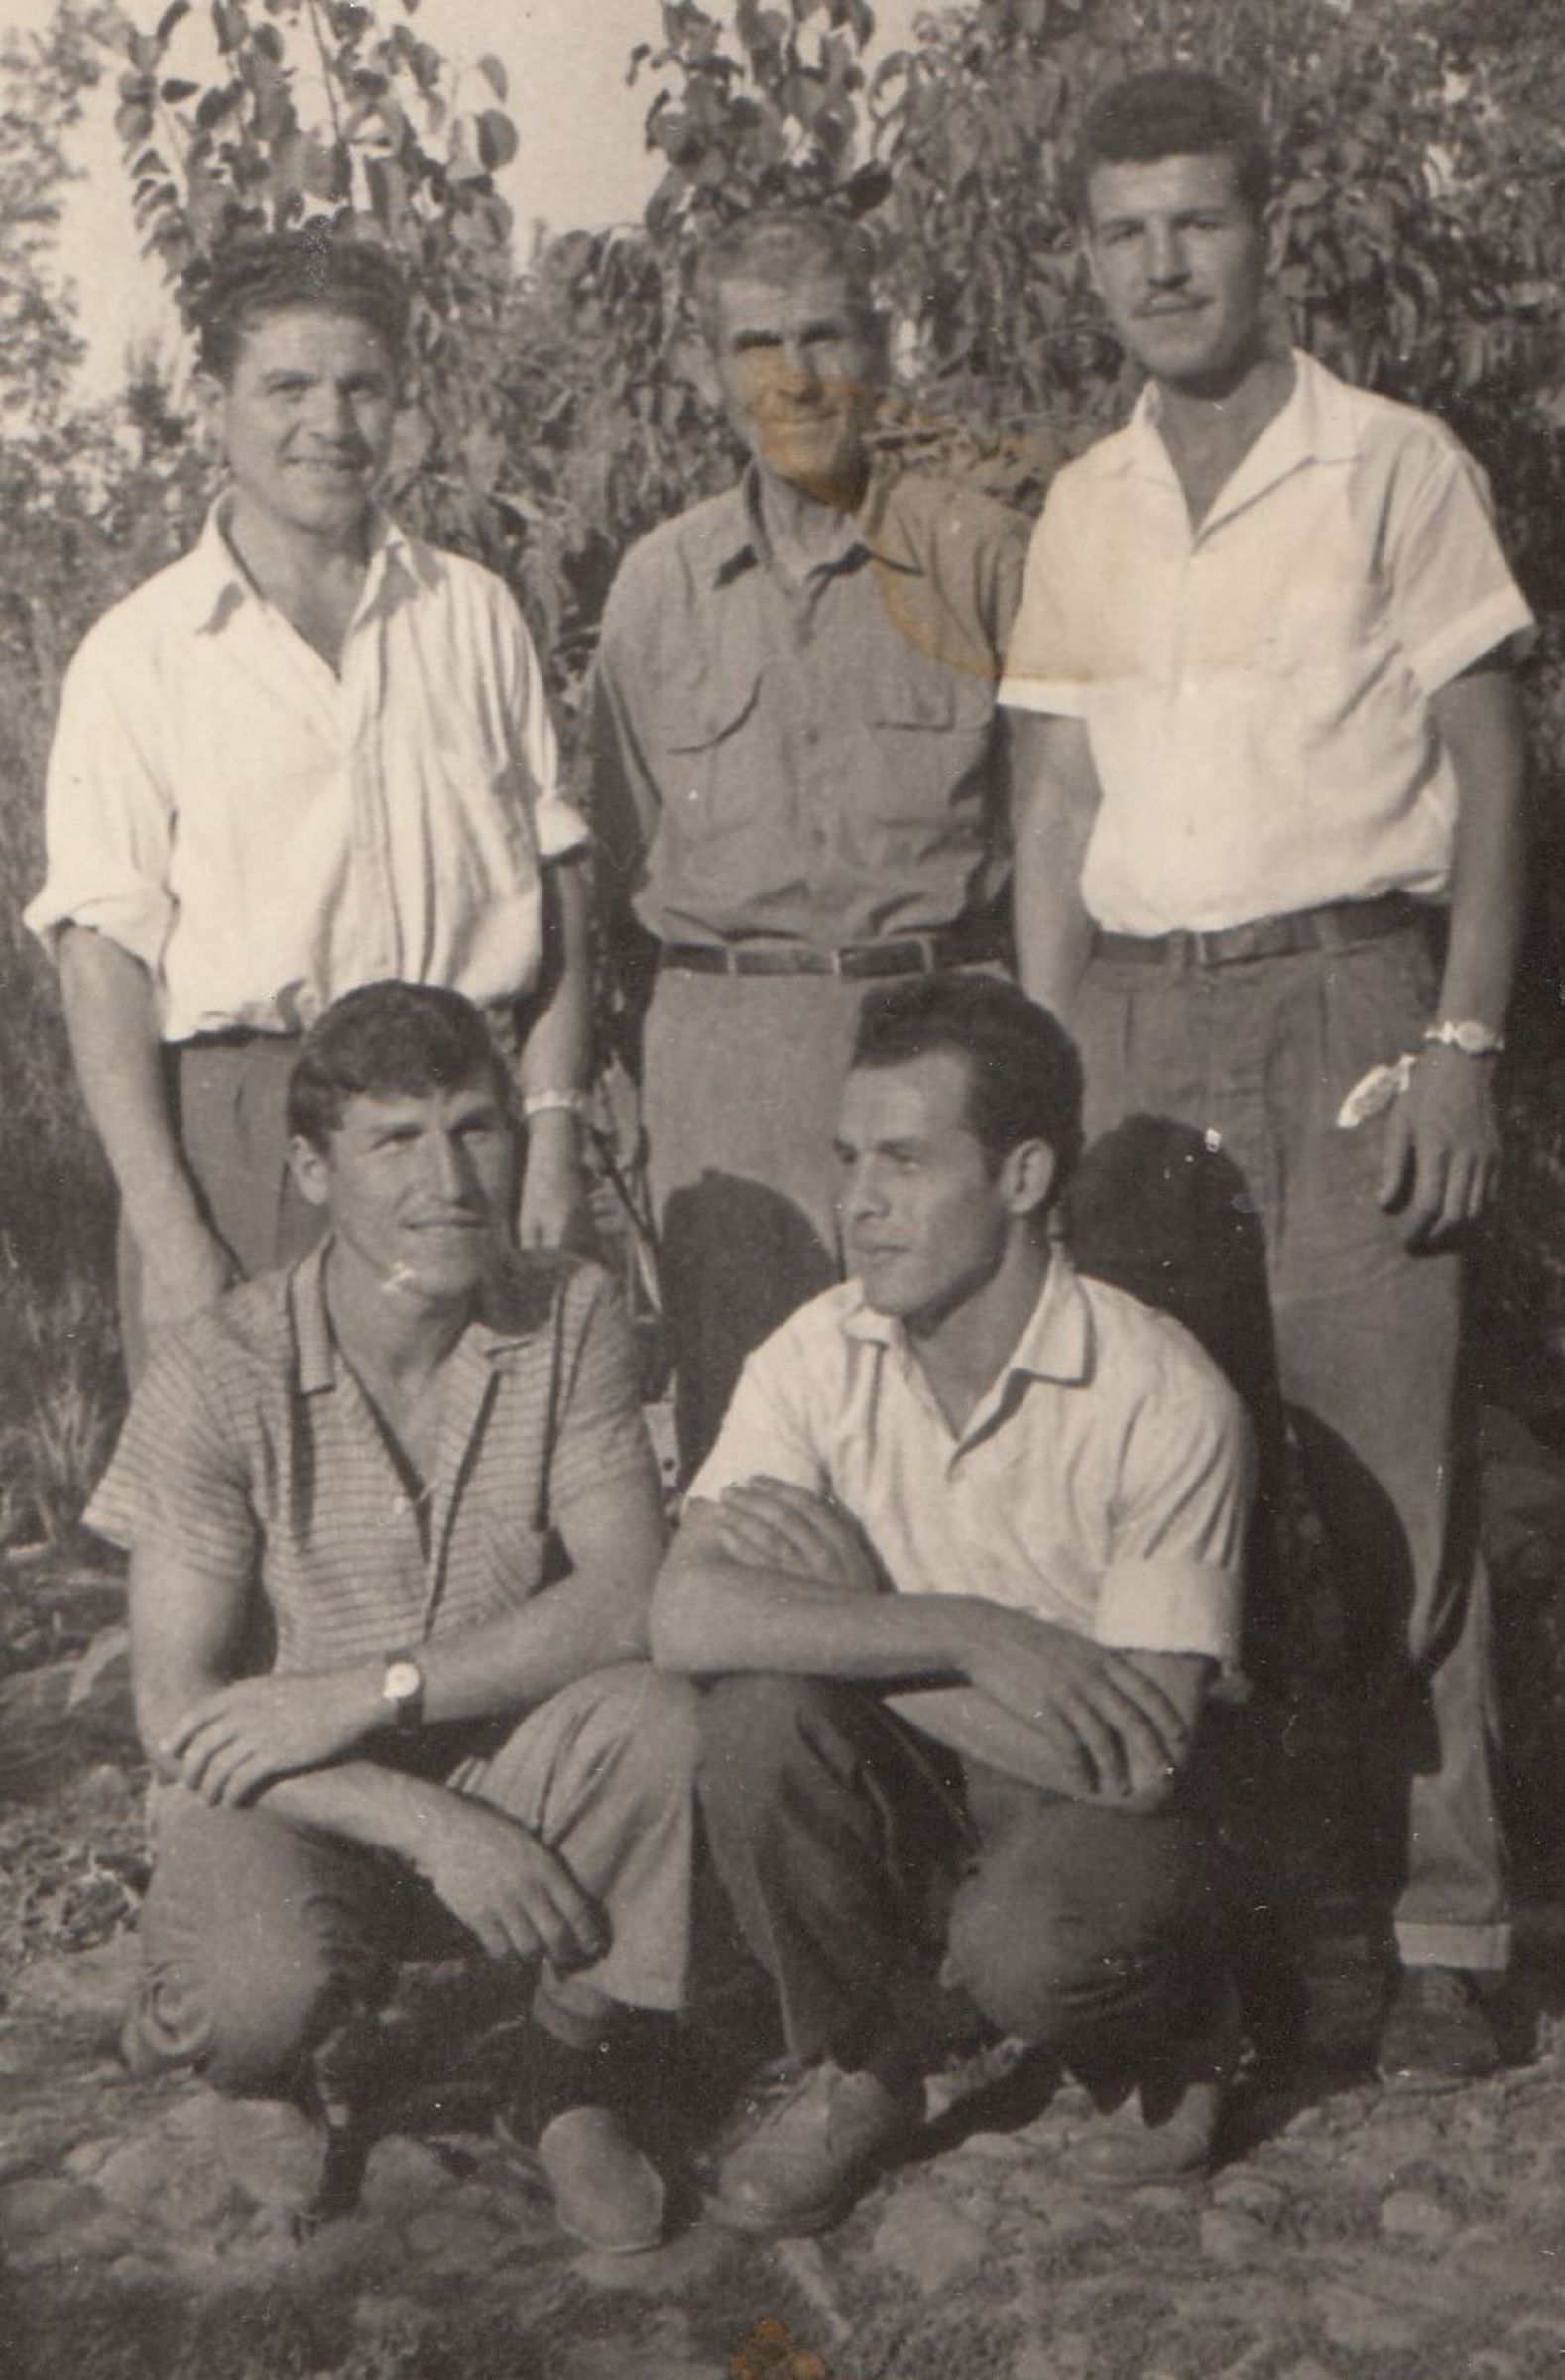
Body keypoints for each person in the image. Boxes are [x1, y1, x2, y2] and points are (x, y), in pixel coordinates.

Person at [1000, 70, 1533, 2085]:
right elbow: (1057, 811)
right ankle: (1236, 1923)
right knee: (1168, 1479)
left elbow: (1489, 767)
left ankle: (1444, 1922)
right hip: (1137, 1028)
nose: (1163, 265)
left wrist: (1458, 1042)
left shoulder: (1391, 465)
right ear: (1084, 259)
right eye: (1124, 232)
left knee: (1390, 1478)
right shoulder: (1080, 504)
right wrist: (1048, 1081)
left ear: (1265, 234)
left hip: (1349, 1006)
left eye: (1197, 222)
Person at [87, 983, 697, 2254]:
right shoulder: (220, 1367)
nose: (450, 1181)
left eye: (476, 1129)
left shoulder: (571, 1312)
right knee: (252, 1988)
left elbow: (632, 1594)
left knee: (665, 1719)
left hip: (486, 1744)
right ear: (312, 1170)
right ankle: (252, 2067)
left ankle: (564, 2070)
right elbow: (173, 1707)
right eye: (396, 1142)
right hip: (294, 1797)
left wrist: (378, 1693)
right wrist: (426, 1823)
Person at [652, 975, 1253, 2235]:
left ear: (1024, 1176)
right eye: (847, 1160)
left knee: (1030, 1946)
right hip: (937, 1772)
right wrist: (961, 1630)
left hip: (1092, 1819)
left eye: (907, 1162)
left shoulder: (1159, 1391)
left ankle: (1179, 2032)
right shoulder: (815, 1352)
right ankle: (869, 2067)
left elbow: (1138, 1761)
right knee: (755, 1721)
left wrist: (859, 1620)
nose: (859, 1203)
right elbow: (686, 1614)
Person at [28, 229, 592, 1379]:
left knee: (479, 1460)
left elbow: (559, 886)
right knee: (249, 1472)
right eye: (287, 387)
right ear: (214, 404)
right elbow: (101, 965)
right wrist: (170, 1229)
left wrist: (551, 1134)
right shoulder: (142, 652)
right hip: (249, 1137)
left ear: (399, 401)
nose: (329, 424)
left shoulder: (472, 615)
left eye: (360, 388)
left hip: (456, 1126)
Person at [588, 207, 1030, 1472]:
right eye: (756, 344)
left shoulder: (978, 556)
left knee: (969, 1429)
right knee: (755, 1443)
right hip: (729, 1060)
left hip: (942, 1031)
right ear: (704, 369)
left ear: (878, 348)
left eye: (825, 336)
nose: (795, 376)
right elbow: (613, 868)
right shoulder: (659, 587)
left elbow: (1059, 833)